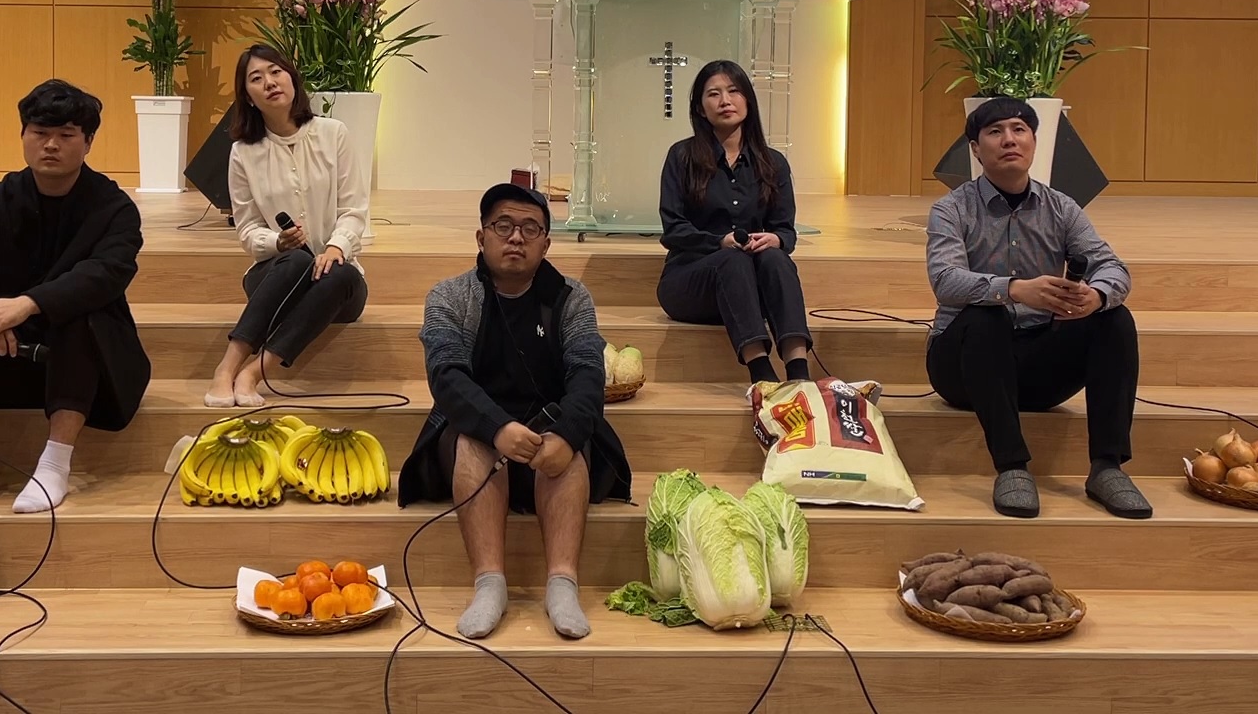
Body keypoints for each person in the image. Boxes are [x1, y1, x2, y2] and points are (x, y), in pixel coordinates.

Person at [397, 183, 632, 641]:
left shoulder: (572, 297)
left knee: (571, 450)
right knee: (474, 442)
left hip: (549, 430)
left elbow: (588, 374)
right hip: (477, 430)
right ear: (481, 236)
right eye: (503, 226)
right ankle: (490, 585)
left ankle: (562, 584)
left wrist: (565, 434)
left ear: (546, 244)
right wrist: (497, 428)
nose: (516, 238)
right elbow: (446, 376)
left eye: (530, 228)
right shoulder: (449, 296)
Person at [0, 80, 149, 514]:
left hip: (85, 363)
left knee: (82, 315)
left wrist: (26, 304)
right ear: (23, 135)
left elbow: (106, 273)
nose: (51, 145)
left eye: (66, 135)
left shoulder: (114, 208)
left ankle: (55, 465)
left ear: (88, 142)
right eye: (40, 133)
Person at [925, 96, 1151, 520]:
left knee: (1114, 319)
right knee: (986, 314)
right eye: (995, 132)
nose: (1009, 140)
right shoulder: (951, 209)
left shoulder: (1062, 208)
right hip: (963, 368)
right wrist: (1014, 289)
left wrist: (1096, 296)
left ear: (1033, 141)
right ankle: (1011, 466)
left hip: (1038, 368)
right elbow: (945, 280)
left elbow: (1112, 267)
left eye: (1019, 129)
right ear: (975, 149)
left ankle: (1107, 467)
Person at [204, 44, 369, 407]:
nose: (269, 82)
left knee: (339, 272)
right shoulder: (243, 151)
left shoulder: (334, 133)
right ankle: (226, 368)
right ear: (247, 96)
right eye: (256, 78)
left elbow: (354, 209)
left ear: (292, 78)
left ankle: (253, 372)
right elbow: (247, 229)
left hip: (337, 287)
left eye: (276, 72)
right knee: (297, 260)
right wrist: (277, 242)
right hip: (278, 277)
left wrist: (336, 247)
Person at [655, 59, 812, 384]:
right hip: (690, 283)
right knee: (732, 258)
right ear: (700, 109)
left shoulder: (773, 163)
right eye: (714, 94)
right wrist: (719, 242)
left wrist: (775, 239)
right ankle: (762, 376)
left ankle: (799, 374)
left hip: (750, 292)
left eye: (733, 91)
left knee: (775, 258)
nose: (725, 101)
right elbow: (674, 230)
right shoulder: (681, 157)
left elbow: (785, 230)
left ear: (748, 100)